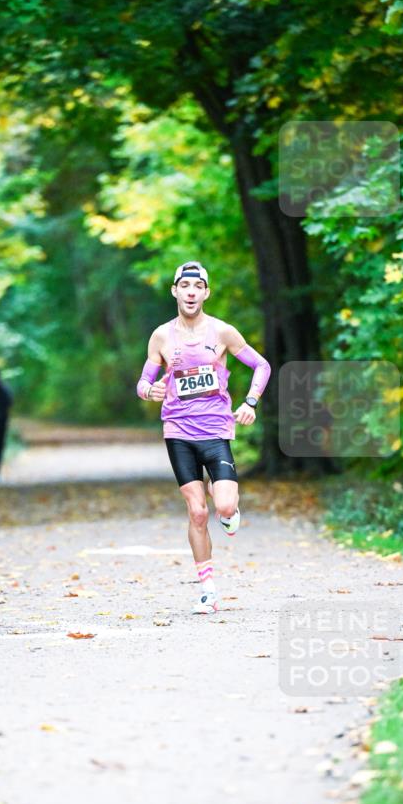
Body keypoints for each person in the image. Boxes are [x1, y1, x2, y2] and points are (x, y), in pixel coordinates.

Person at [137, 261, 271, 614]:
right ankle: (208, 590)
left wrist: (250, 402)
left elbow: (262, 365)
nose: (192, 291)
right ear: (175, 291)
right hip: (178, 431)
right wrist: (147, 389)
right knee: (197, 512)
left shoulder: (223, 332)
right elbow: (143, 380)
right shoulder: (162, 336)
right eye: (185, 286)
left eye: (198, 286)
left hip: (215, 430)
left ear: (207, 293)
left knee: (222, 505)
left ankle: (230, 509)